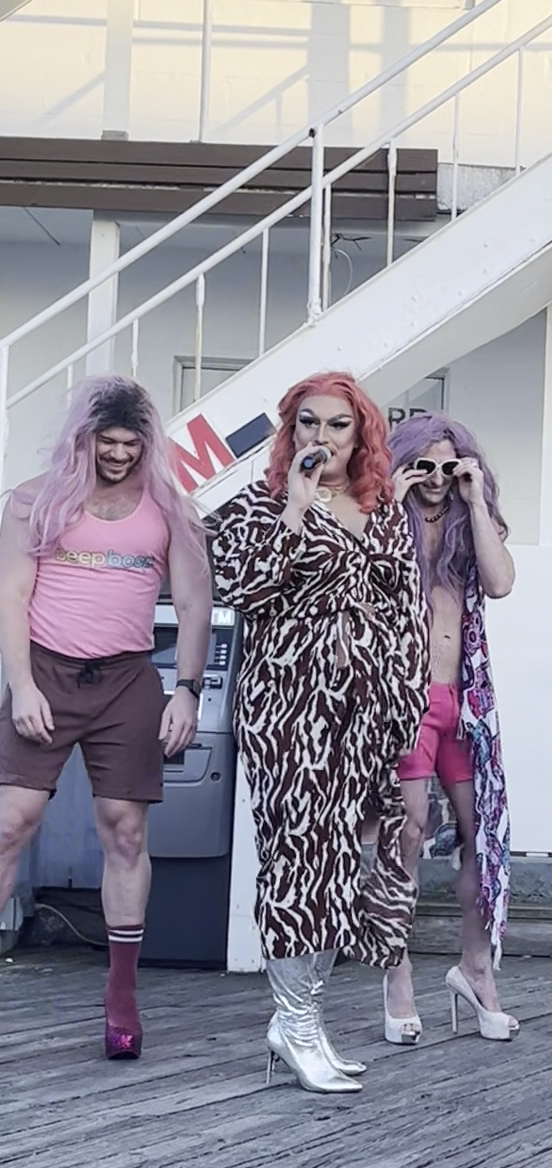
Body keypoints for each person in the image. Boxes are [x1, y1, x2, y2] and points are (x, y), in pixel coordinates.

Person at [206, 372, 428, 1095]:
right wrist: (296, 510)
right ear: (290, 431)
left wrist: (404, 706)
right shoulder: (259, 504)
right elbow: (241, 588)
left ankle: (304, 1018)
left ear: (361, 435)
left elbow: (407, 615)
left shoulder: (383, 510)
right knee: (297, 856)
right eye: (309, 422)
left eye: (338, 424)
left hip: (363, 713)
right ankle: (295, 1022)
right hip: (287, 708)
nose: (322, 437)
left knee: (341, 864)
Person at [0, 377, 211, 1059]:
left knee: (124, 829)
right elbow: (11, 595)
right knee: (10, 823)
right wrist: (22, 686)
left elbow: (194, 603)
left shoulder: (170, 509)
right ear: (82, 439)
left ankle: (121, 996)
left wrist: (186, 690)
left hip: (126, 678)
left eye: (130, 444)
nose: (118, 455)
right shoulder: (33, 500)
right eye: (106, 443)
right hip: (46, 672)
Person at [386, 414, 517, 1044]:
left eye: (447, 466)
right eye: (424, 466)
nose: (435, 479)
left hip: (465, 701)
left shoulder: (468, 521)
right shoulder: (385, 520)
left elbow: (501, 583)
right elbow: (364, 577)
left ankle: (476, 969)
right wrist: (391, 500)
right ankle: (398, 975)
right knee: (407, 834)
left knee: (480, 835)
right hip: (406, 698)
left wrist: (476, 498)